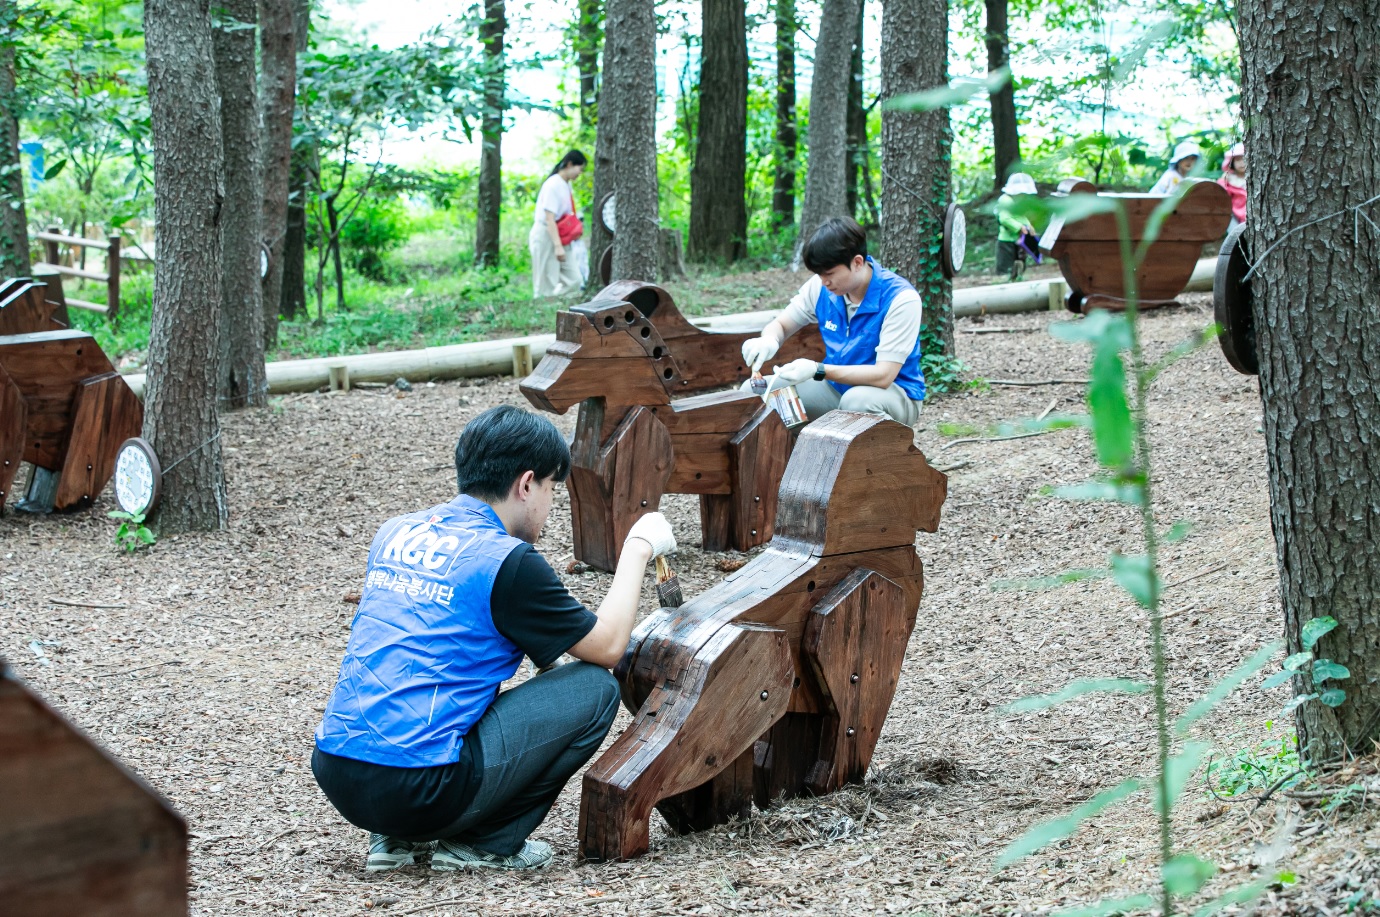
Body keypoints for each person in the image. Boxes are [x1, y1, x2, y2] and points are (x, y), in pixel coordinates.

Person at [312, 405, 676, 873]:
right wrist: (638, 548)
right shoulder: (508, 561)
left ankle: (395, 841)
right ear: (527, 484)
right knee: (595, 690)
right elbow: (606, 647)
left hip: (339, 773)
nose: (549, 504)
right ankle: (481, 844)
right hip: (422, 789)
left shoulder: (396, 531)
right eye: (551, 489)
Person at [740, 217, 926, 427]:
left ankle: (887, 456)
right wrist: (769, 340)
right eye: (819, 274)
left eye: (829, 274)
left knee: (856, 402)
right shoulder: (821, 288)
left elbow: (883, 375)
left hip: (892, 394)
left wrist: (817, 369)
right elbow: (781, 325)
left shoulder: (901, 299)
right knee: (753, 394)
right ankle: (791, 455)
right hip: (835, 388)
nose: (824, 281)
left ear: (857, 262)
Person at [529, 150, 587, 298]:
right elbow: (549, 218)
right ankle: (542, 308)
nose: (579, 174)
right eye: (579, 169)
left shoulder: (566, 185)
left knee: (574, 280)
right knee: (544, 282)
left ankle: (552, 300)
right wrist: (557, 246)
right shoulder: (553, 184)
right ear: (569, 164)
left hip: (561, 233)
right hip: (546, 233)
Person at [994, 172, 1038, 280]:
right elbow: (1004, 218)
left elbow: (1021, 217)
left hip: (1019, 242)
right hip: (1006, 242)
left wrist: (1029, 226)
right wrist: (1020, 227)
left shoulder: (1020, 203)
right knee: (1005, 273)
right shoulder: (1005, 200)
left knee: (1019, 269)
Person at [1217, 143, 1247, 230]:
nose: (1241, 163)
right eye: (1238, 160)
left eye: (1244, 159)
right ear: (1232, 162)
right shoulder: (1228, 180)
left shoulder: (1256, 179)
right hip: (1235, 216)